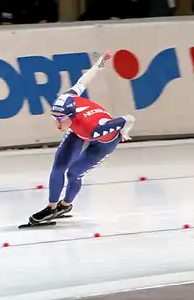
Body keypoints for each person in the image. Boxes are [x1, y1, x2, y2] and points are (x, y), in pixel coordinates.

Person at [26, 50, 137, 226]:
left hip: (104, 140)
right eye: (55, 118)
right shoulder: (67, 98)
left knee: (74, 172)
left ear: (71, 115)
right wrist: (99, 65)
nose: (58, 124)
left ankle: (65, 205)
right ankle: (51, 208)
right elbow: (83, 82)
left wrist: (124, 132)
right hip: (79, 130)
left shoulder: (95, 129)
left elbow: (129, 118)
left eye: (62, 119)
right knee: (58, 167)